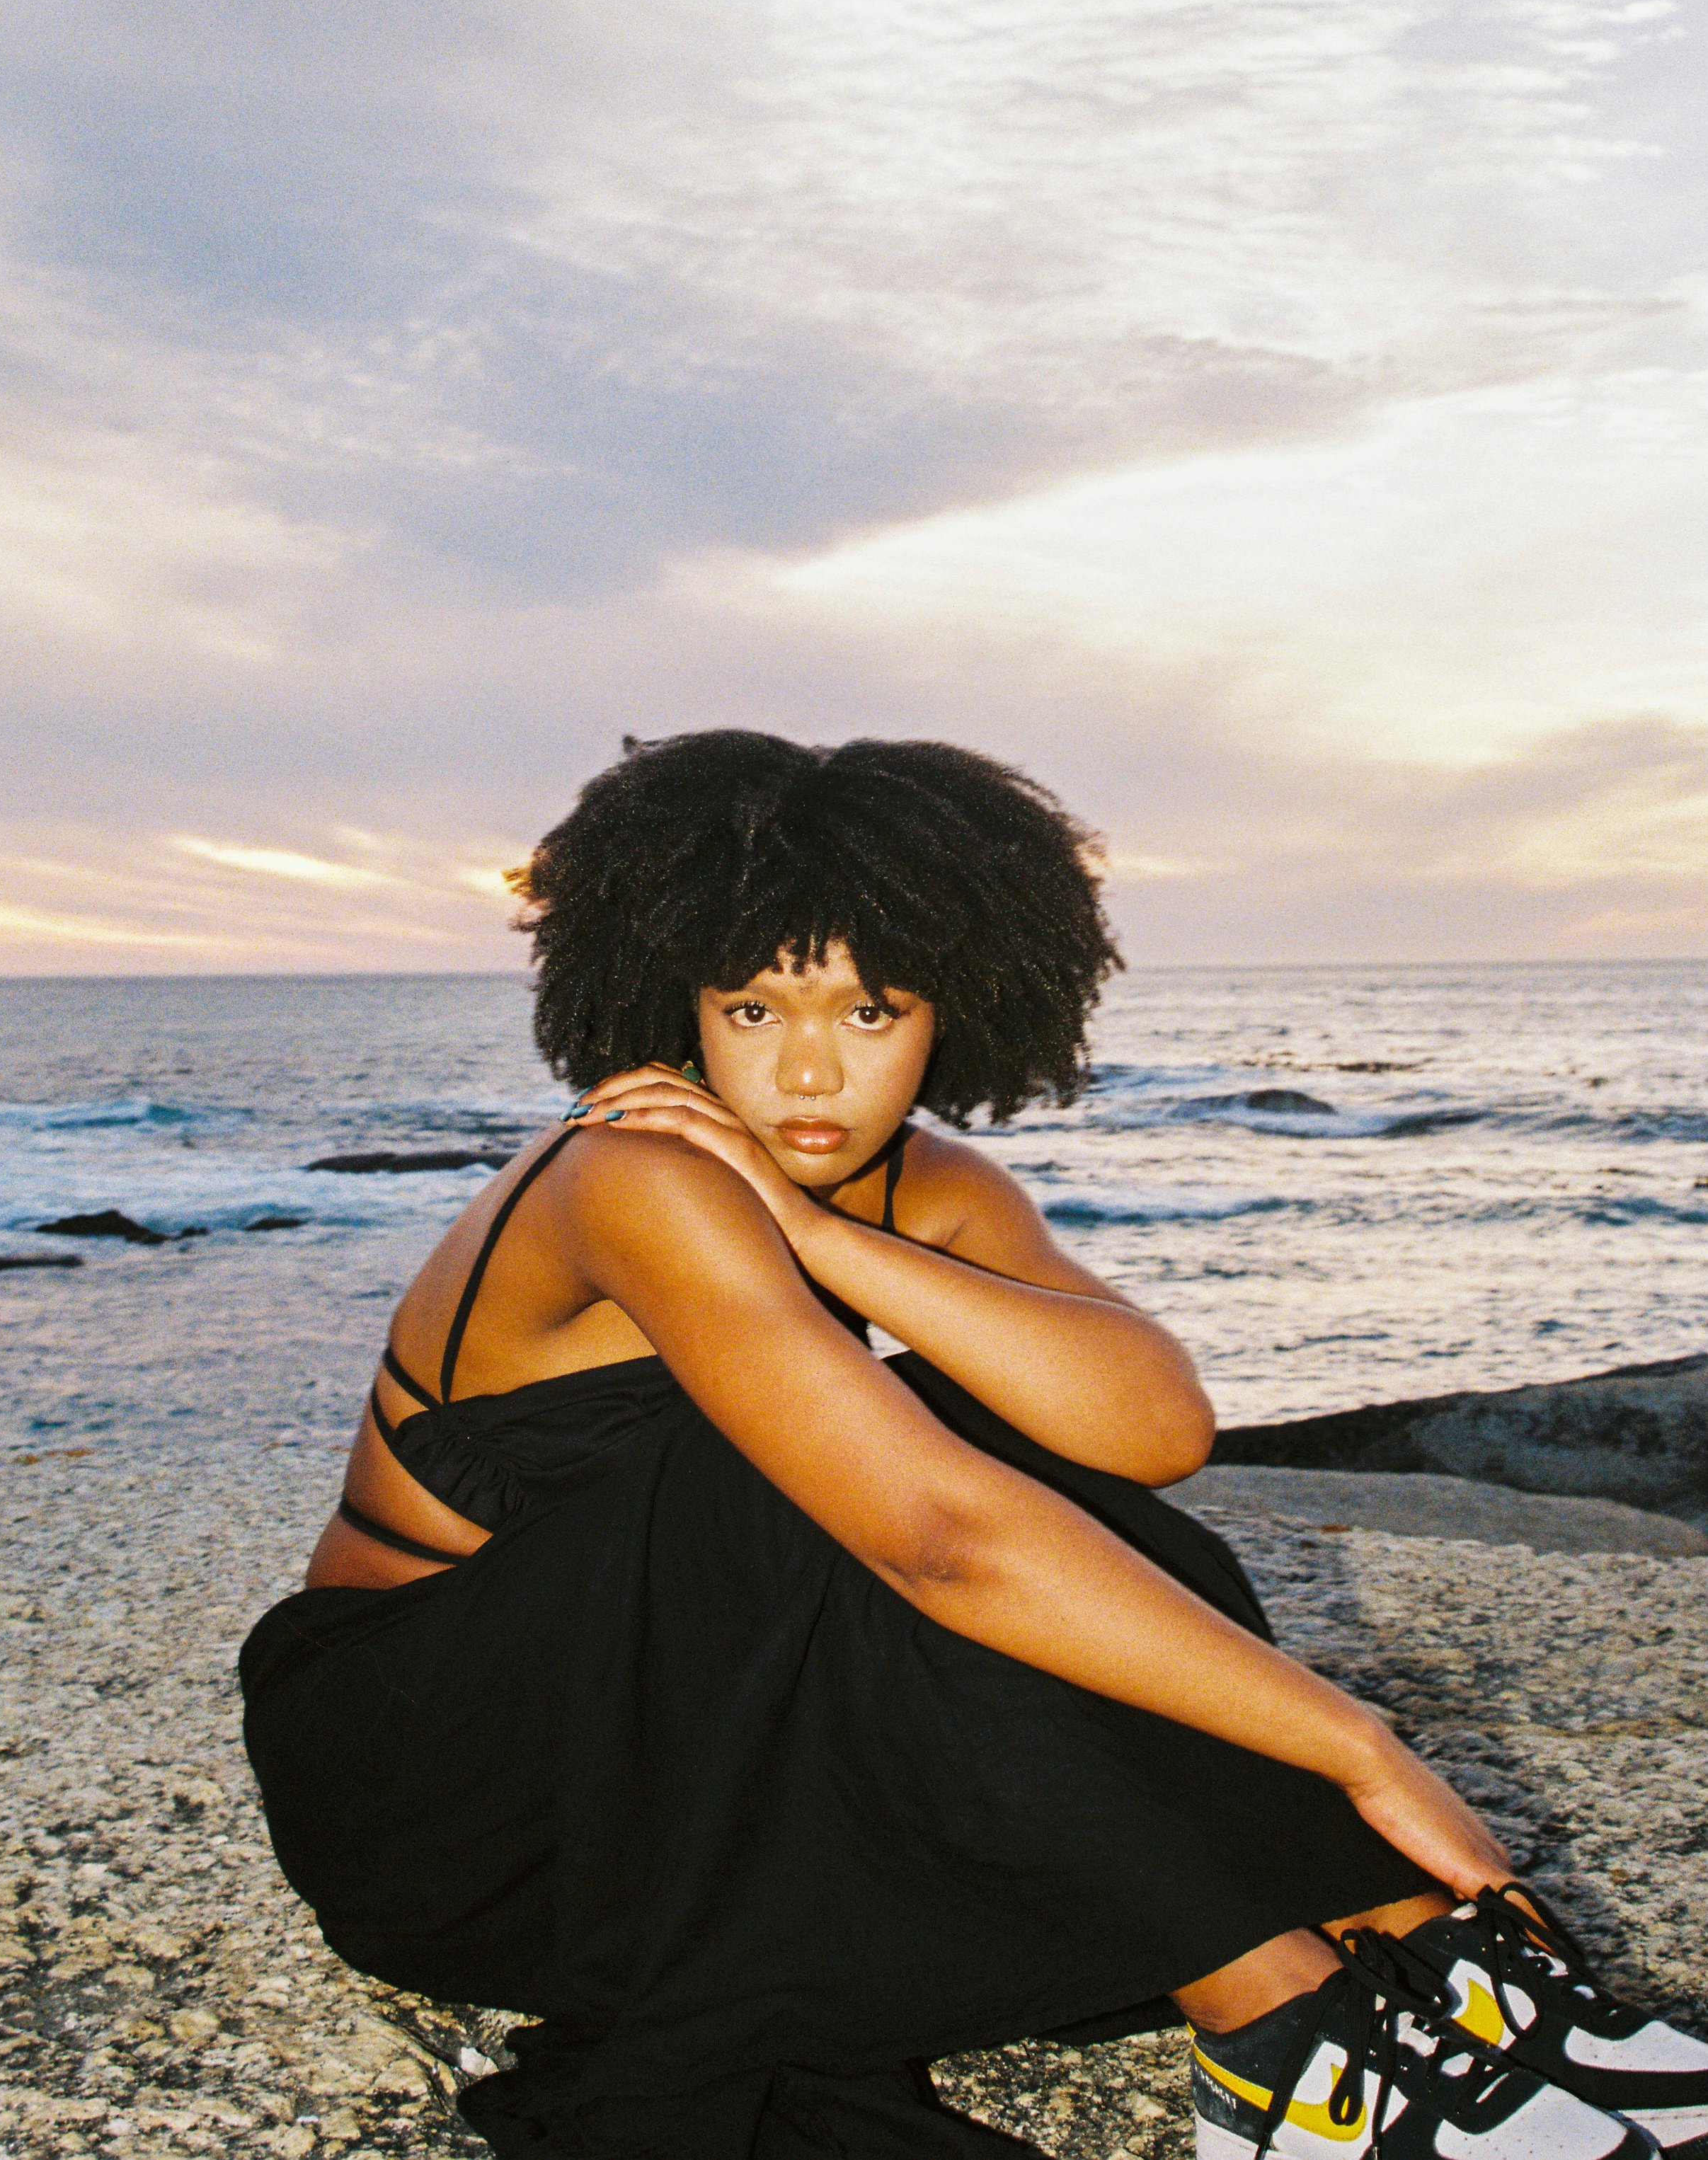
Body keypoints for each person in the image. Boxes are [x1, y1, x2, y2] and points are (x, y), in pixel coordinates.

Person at [240, 733, 1708, 2160]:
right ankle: (1282, 2030)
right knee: (841, 1486)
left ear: (956, 1006)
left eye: (868, 1014)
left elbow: (1143, 1430)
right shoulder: (630, 1175)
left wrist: (818, 1231)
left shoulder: (925, 1182)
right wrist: (1354, 1745)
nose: (809, 1074)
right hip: (455, 1777)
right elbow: (932, 1537)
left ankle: (1428, 1967)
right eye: (754, 1011)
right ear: (671, 1000)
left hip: (693, 1735)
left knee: (996, 1464)